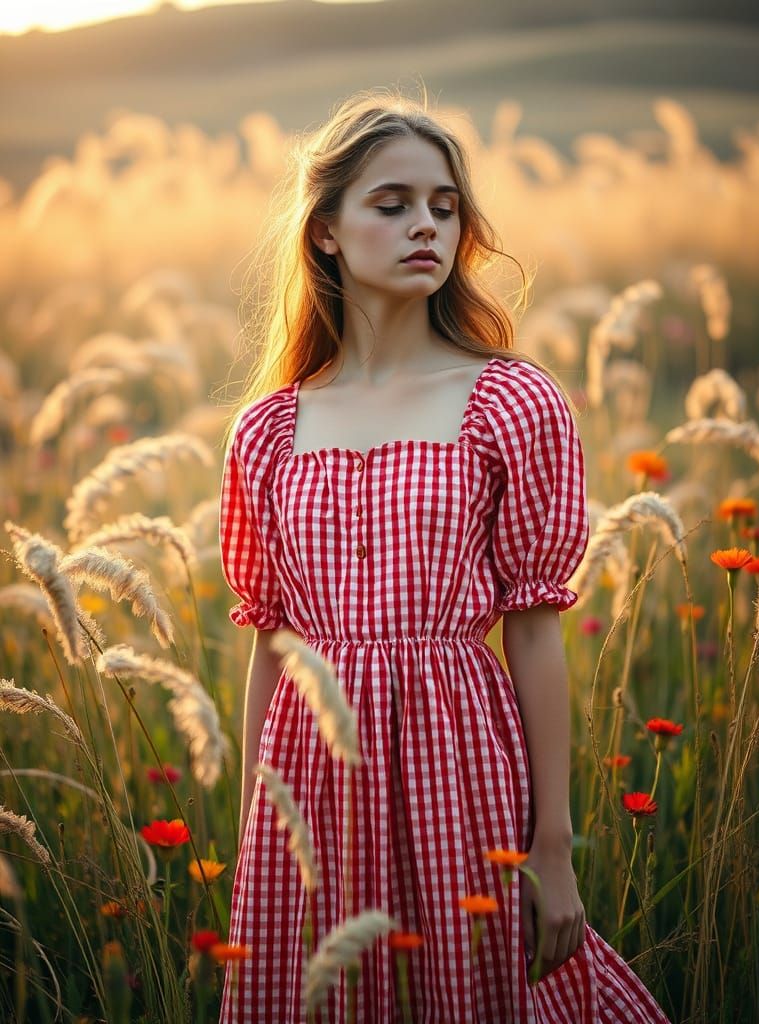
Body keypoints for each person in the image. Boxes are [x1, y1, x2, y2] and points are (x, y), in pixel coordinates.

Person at [217, 89, 671, 1024]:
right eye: (392, 204)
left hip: (457, 760)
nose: (425, 224)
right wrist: (264, 835)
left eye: (444, 204)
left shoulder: (510, 401)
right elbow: (270, 645)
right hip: (316, 784)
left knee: (472, 989)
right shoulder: (267, 431)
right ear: (328, 233)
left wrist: (552, 844)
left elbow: (535, 631)